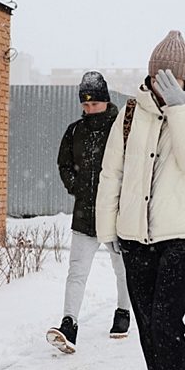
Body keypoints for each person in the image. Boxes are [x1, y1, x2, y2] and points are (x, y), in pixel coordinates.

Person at [96, 30, 185, 370]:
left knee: (167, 324)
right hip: (136, 238)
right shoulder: (130, 112)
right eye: (156, 78)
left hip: (184, 235)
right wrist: (108, 230)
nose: (162, 85)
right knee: (148, 326)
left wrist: (180, 109)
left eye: (172, 78)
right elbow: (112, 174)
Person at [46, 71, 131, 354]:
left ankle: (123, 311)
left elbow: (133, 168)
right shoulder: (75, 131)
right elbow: (64, 165)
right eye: (85, 104)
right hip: (84, 214)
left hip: (116, 215)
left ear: (105, 101)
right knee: (77, 272)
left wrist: (120, 197)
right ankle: (69, 324)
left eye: (94, 103)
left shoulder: (121, 130)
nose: (89, 109)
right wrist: (77, 188)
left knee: (123, 270)